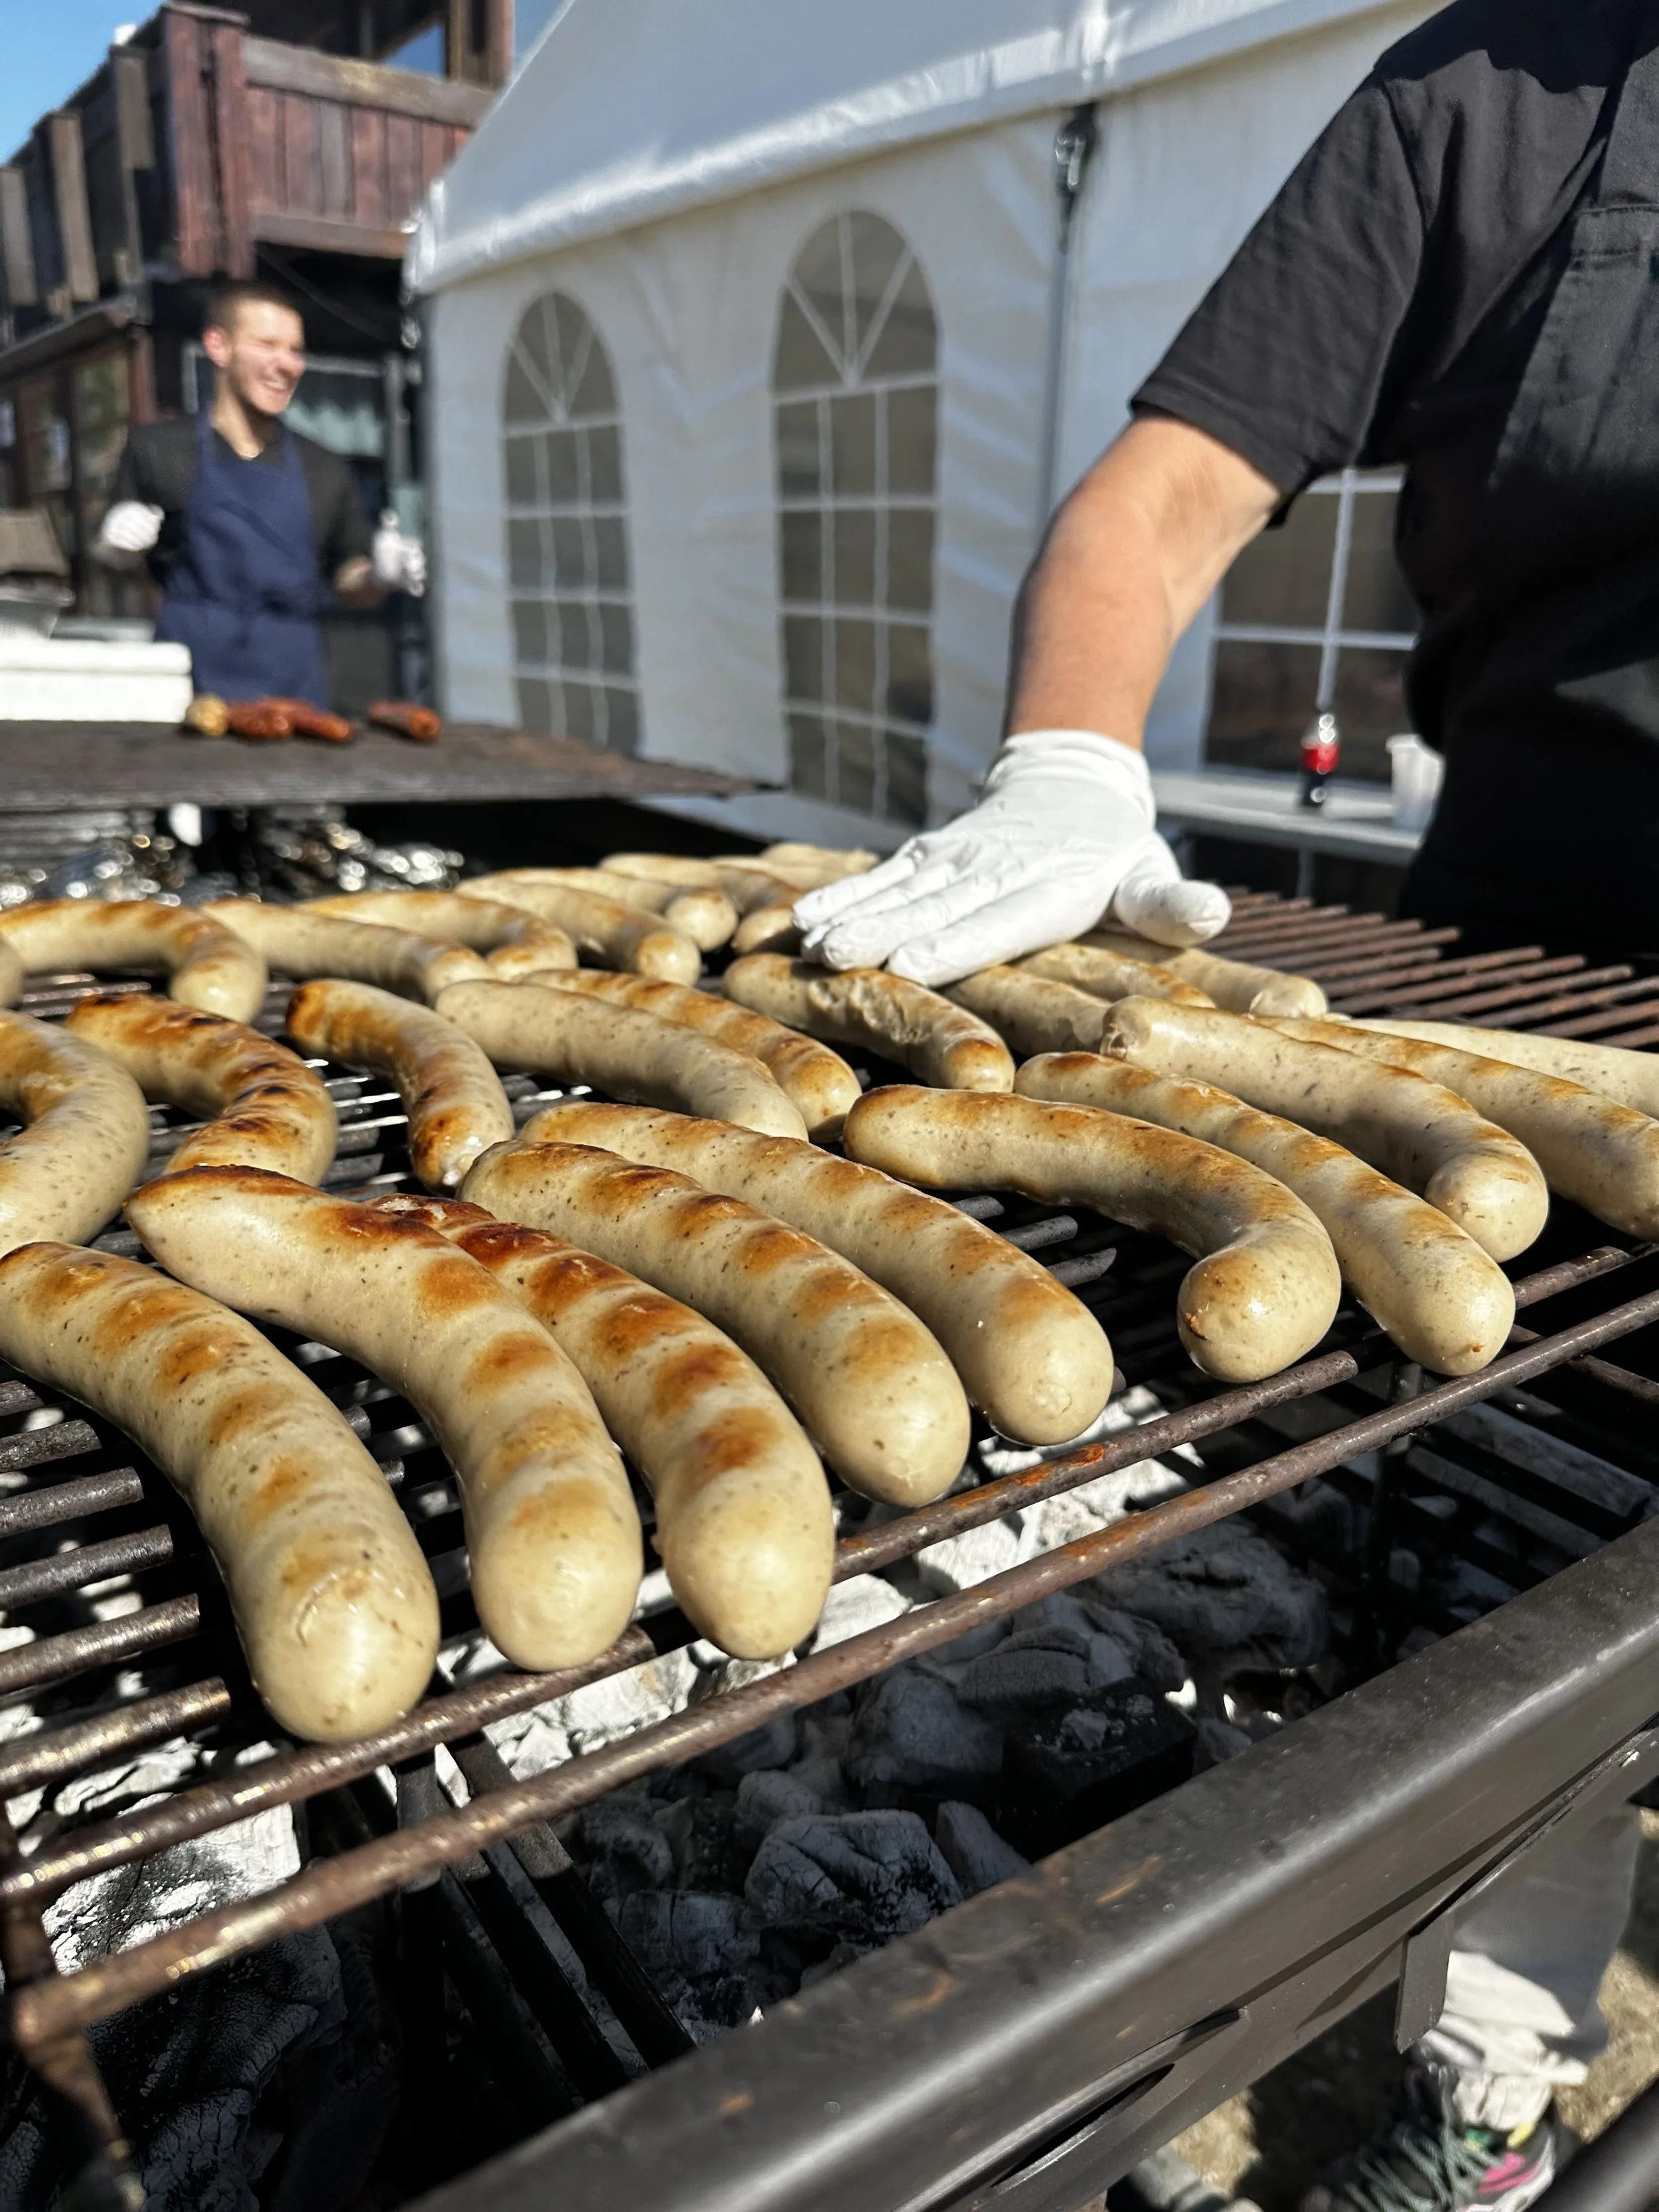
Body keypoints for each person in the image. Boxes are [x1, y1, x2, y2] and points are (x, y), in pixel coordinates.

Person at [798, 5, 1654, 2207]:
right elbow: (1171, 489)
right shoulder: (1500, 86)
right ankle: (1488, 2092)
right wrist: (1070, 758)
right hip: (1502, 992)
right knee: (1526, 1589)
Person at [96, 279, 425, 708]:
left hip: (295, 694)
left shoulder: (324, 468)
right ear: (219, 346)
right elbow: (115, 570)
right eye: (268, 345)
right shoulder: (159, 451)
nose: (288, 365)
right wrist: (115, 549)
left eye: (295, 350)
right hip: (188, 694)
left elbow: (349, 579)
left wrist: (380, 575)